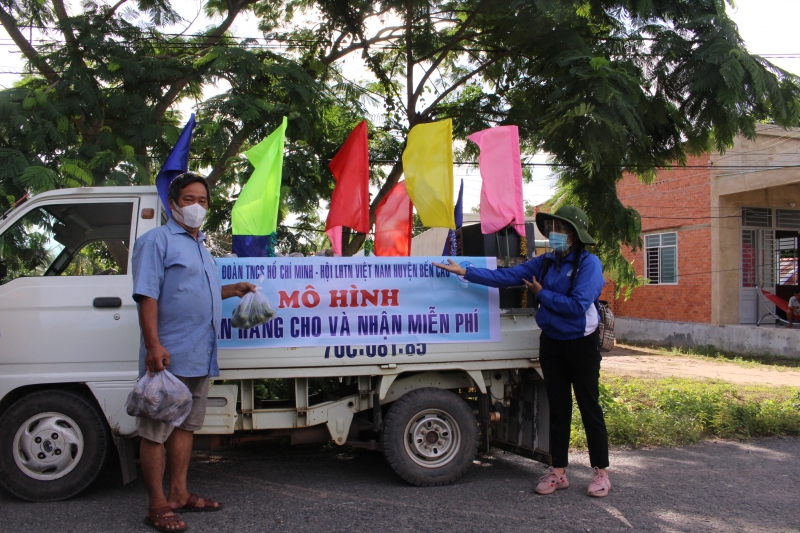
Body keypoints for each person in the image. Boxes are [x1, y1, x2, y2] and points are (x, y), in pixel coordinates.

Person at [433, 206, 612, 498]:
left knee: (589, 406)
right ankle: (558, 472)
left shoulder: (589, 265)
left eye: (560, 229)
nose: (554, 234)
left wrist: (543, 294)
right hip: (552, 342)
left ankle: (601, 473)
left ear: (574, 235)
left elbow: (577, 305)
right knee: (558, 407)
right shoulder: (544, 263)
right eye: (551, 228)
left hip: (581, 343)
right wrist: (465, 272)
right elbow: (508, 276)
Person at [132, 173, 255, 532]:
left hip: (201, 354)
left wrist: (233, 289)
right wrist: (154, 345)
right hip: (169, 356)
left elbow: (197, 293)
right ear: (172, 205)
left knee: (186, 427)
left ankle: (180, 493)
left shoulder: (201, 248)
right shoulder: (157, 241)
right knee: (156, 429)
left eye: (203, 200)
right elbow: (147, 295)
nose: (197, 206)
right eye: (189, 199)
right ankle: (157, 505)